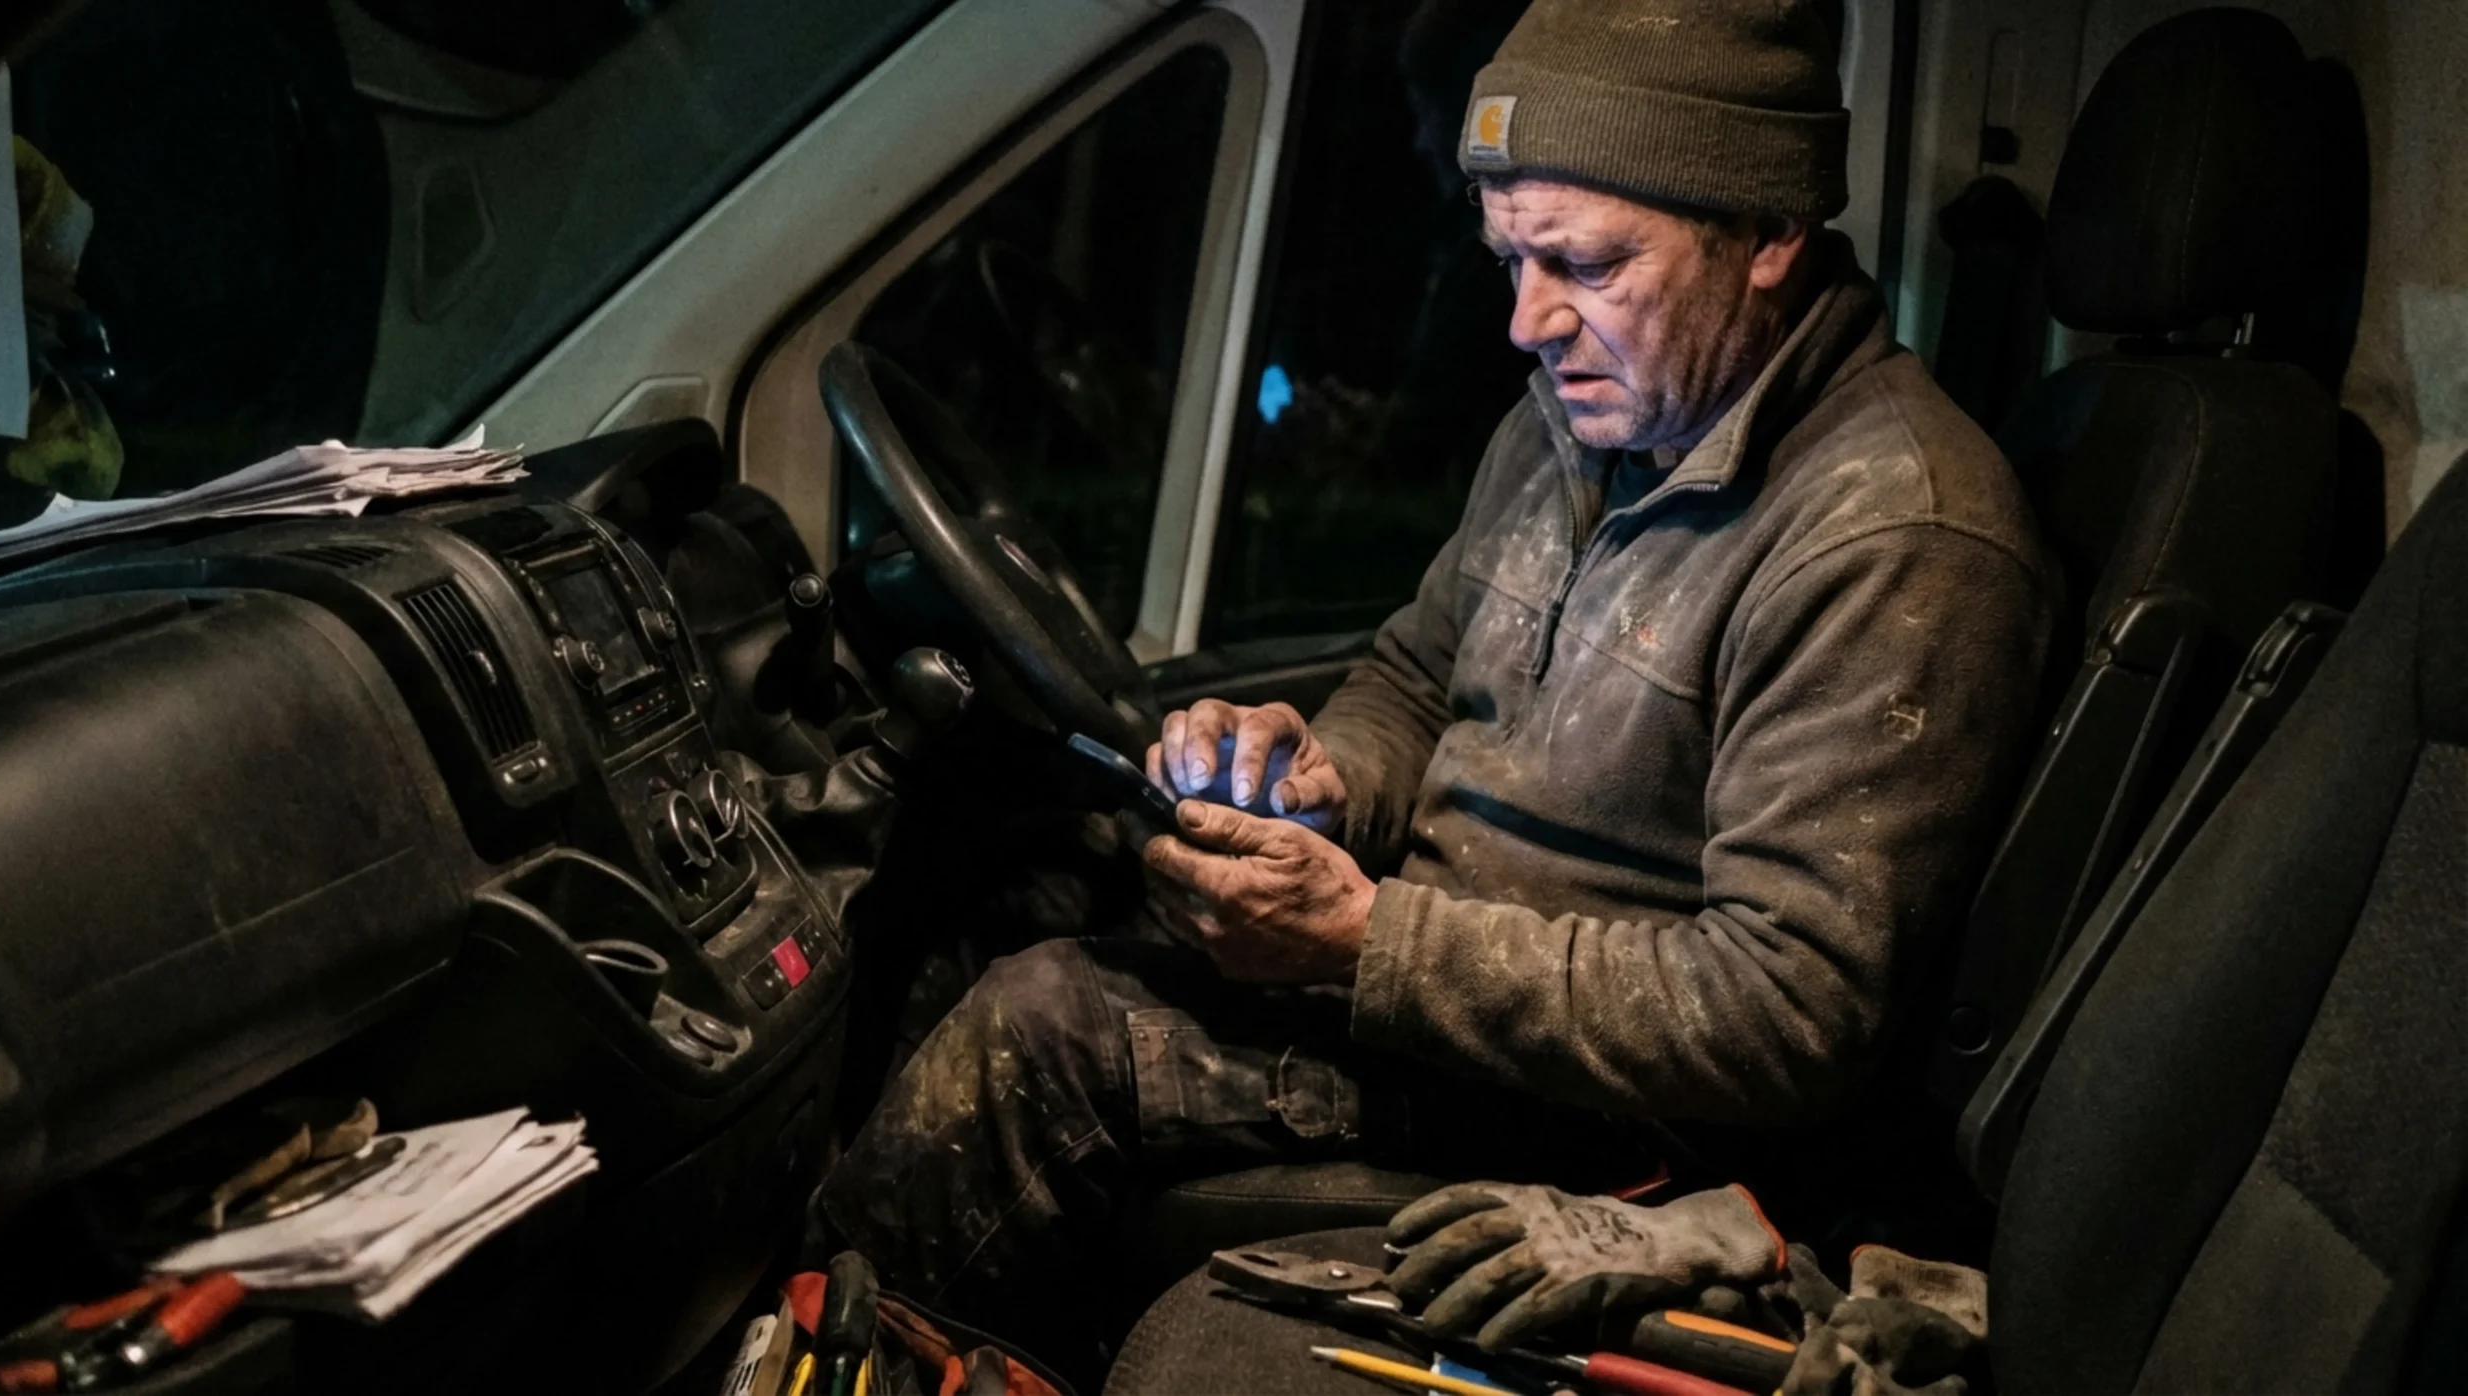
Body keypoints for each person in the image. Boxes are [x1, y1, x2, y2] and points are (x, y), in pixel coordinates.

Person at [811, 0, 2056, 1374]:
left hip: (1608, 1123)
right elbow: (1416, 678)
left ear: (1768, 235)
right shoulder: (1585, 419)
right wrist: (1319, 775)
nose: (1527, 322)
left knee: (1043, 1030)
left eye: (1585, 263)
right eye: (1510, 260)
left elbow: (1788, 1012)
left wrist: (1365, 941)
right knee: (1021, 878)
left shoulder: (1896, 538)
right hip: (1447, 985)